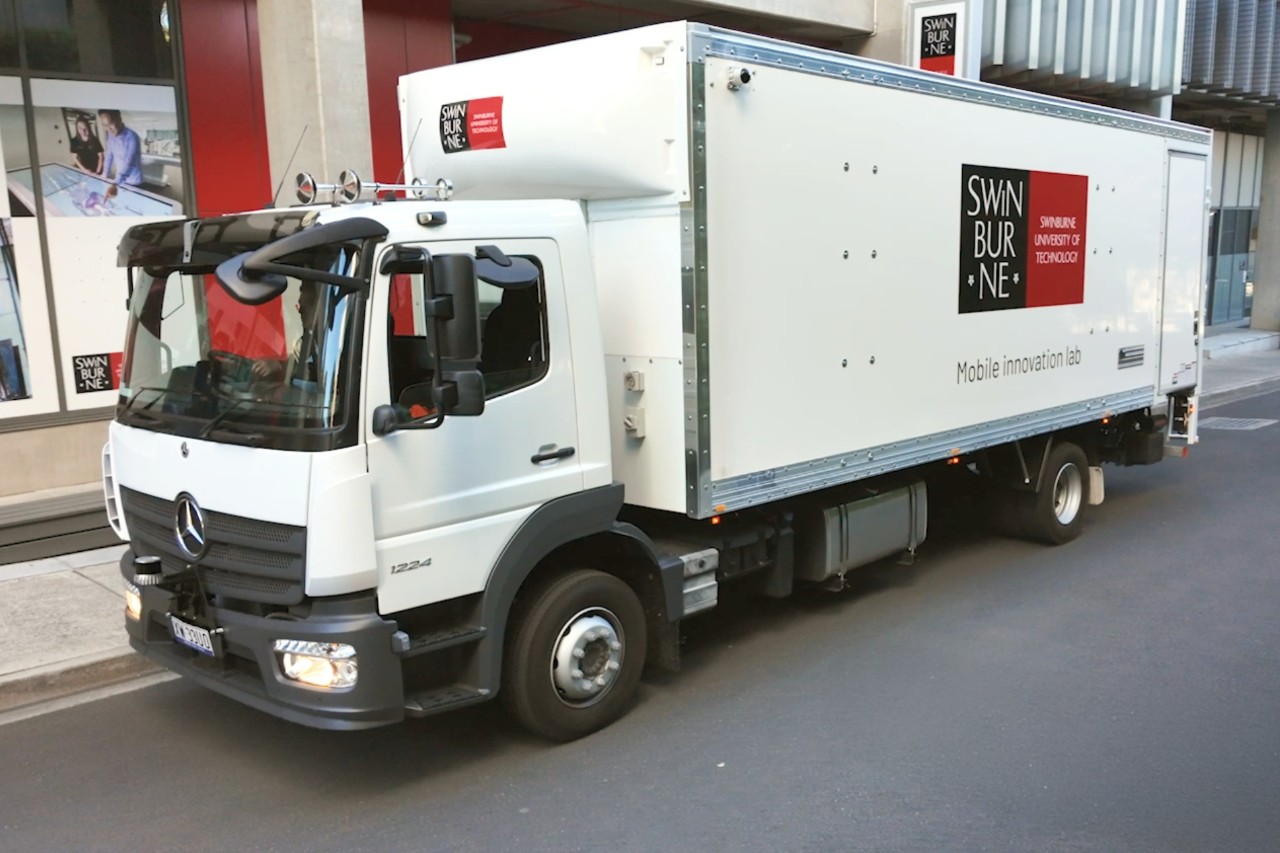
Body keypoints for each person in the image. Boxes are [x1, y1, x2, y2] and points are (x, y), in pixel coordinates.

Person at [252, 284, 323, 383]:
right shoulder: (296, 336)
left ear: (318, 306)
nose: (299, 310)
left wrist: (279, 364)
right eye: (296, 305)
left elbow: (312, 373)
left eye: (306, 305)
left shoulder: (326, 342)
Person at [97, 109, 143, 195]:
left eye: (110, 124)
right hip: (119, 180)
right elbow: (109, 155)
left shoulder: (132, 137)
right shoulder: (110, 135)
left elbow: (129, 162)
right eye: (105, 125)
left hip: (133, 181)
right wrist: (104, 174)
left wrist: (115, 183)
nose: (108, 129)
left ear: (119, 119)